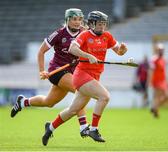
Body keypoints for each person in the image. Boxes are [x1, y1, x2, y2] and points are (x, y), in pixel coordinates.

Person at [41, 10, 127, 145]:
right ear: (92, 24)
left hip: (95, 76)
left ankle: (50, 128)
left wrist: (122, 50)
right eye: (99, 24)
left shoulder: (107, 36)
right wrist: (88, 56)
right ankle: (93, 129)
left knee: (72, 110)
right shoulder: (84, 35)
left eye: (104, 24)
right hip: (82, 75)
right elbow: (72, 49)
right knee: (104, 97)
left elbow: (119, 52)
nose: (102, 27)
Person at [10, 8, 89, 136]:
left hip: (71, 72)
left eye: (80, 19)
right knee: (80, 90)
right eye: (74, 19)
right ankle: (84, 126)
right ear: (67, 20)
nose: (77, 22)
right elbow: (41, 51)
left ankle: (23, 102)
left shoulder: (84, 33)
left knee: (49, 102)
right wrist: (42, 71)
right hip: (57, 71)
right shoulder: (58, 34)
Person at [148, 43, 168, 118]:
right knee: (157, 97)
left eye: (162, 50)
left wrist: (167, 81)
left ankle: (154, 108)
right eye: (160, 50)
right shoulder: (154, 59)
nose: (161, 51)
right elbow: (151, 71)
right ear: (157, 50)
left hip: (163, 80)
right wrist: (150, 81)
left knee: (167, 96)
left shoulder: (163, 59)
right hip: (156, 81)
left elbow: (164, 71)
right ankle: (155, 112)